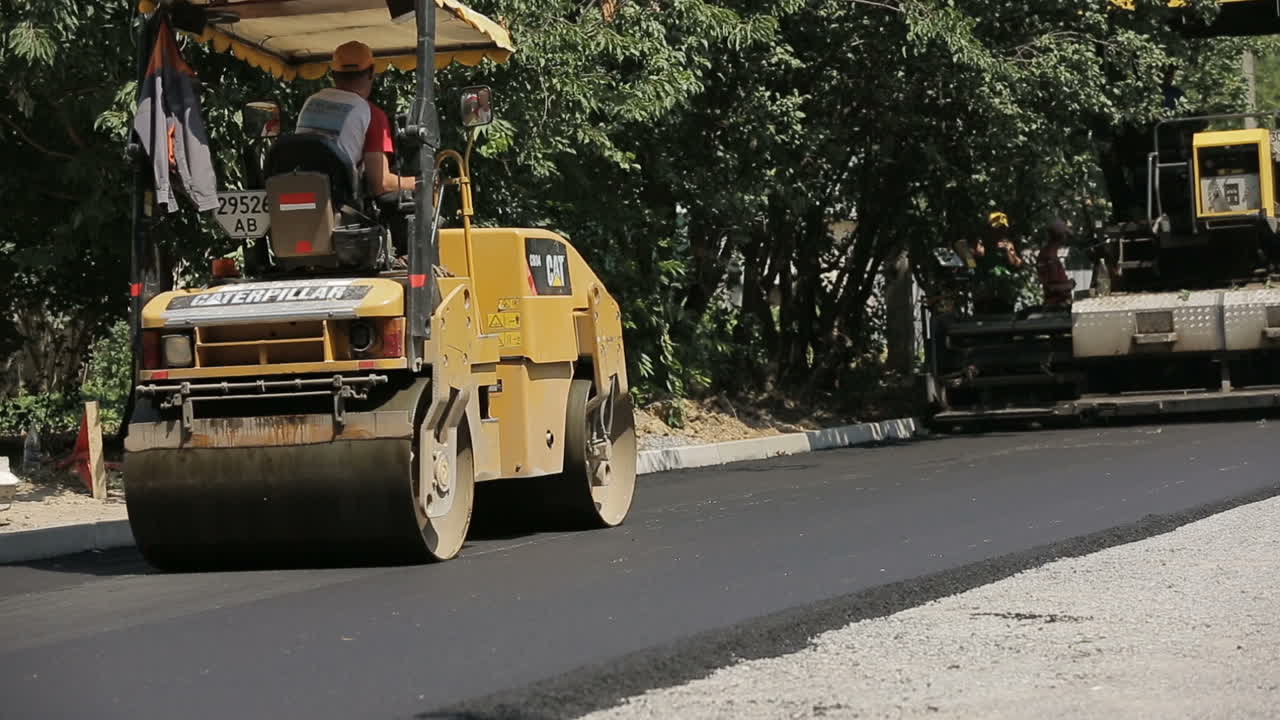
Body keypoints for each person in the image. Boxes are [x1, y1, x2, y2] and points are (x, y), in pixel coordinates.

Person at [295, 41, 411, 199]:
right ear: (371, 72)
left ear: (333, 74)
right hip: (338, 203)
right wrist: (419, 182)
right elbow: (380, 184)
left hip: (298, 194)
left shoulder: (310, 102)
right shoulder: (371, 114)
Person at [971, 211, 1024, 315]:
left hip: (1004, 295)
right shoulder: (980, 245)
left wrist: (1008, 252)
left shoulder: (1007, 244)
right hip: (984, 296)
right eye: (996, 228)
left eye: (1002, 228)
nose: (1000, 232)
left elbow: (1018, 265)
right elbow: (971, 264)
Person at [1037, 218, 1076, 308]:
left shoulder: (1046, 252)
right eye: (1065, 234)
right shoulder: (1049, 256)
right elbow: (1051, 288)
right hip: (1056, 305)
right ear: (1062, 236)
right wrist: (1069, 285)